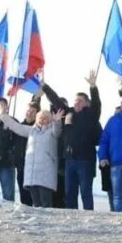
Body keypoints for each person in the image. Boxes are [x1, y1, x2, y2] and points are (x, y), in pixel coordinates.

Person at [41, 69, 102, 210]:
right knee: (69, 192)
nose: (76, 103)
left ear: (87, 103)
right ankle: (71, 216)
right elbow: (55, 99)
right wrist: (44, 86)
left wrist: (93, 87)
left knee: (85, 191)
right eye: (75, 100)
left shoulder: (91, 115)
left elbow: (97, 104)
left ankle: (89, 215)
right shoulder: (68, 112)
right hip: (69, 160)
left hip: (85, 160)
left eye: (80, 101)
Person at [0, 109, 65, 208]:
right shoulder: (32, 131)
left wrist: (57, 121)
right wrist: (3, 116)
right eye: (40, 118)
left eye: (45, 118)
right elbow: (17, 127)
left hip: (46, 174)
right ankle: (37, 221)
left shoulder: (52, 131)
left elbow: (57, 130)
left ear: (49, 120)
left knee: (45, 203)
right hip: (33, 174)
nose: (42, 120)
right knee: (36, 203)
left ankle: (48, 222)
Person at [14, 94, 42, 206]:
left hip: (35, 167)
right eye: (28, 111)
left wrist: (38, 97)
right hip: (21, 166)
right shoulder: (19, 126)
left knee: (35, 196)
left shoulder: (40, 128)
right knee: (24, 196)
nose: (29, 113)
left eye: (32, 111)